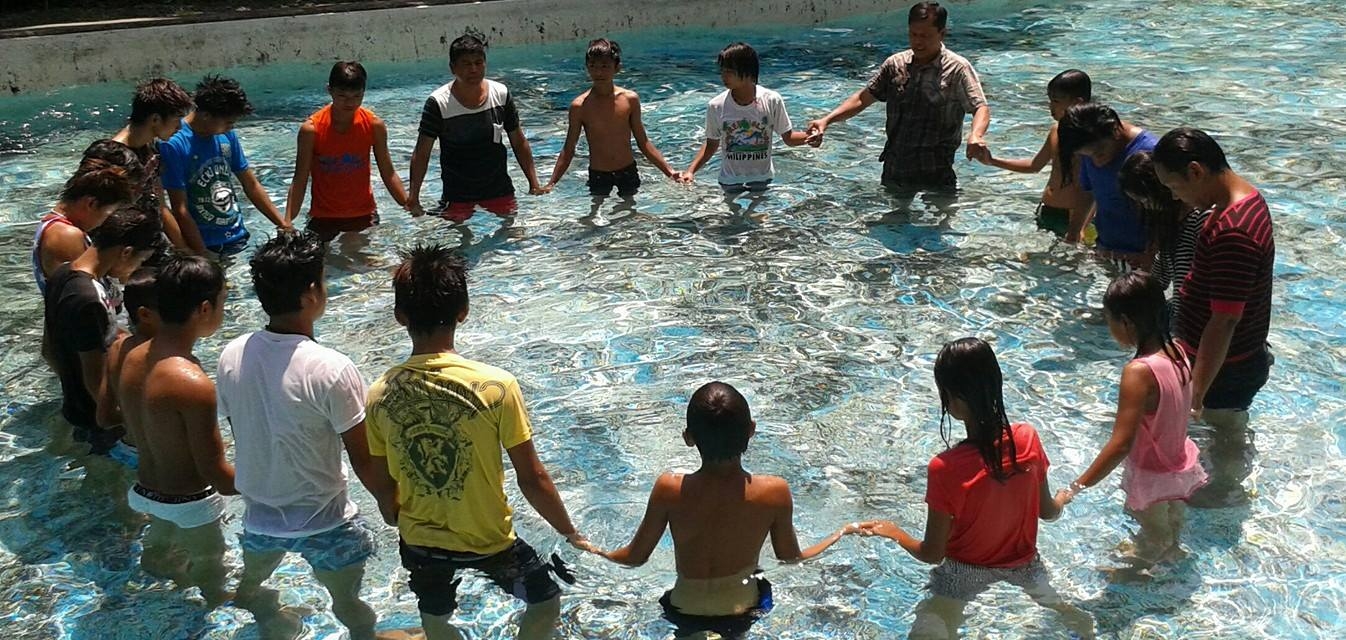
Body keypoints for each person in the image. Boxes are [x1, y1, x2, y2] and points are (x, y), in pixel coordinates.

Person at [365, 244, 591, 640]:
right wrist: (570, 532)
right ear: (463, 311)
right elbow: (533, 477)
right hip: (488, 541)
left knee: (436, 617)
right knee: (545, 600)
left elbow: (383, 481)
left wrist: (391, 511)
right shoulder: (497, 387)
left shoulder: (379, 392)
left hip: (419, 542)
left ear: (400, 316)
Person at [217, 230, 400, 639]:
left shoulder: (232, 354)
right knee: (351, 608)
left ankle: (269, 619)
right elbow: (363, 456)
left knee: (252, 587)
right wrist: (391, 504)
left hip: (259, 520)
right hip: (326, 521)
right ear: (312, 293)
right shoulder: (332, 368)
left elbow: (243, 433)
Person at [855, 338, 1092, 639]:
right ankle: (1073, 618)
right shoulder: (1028, 438)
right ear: (996, 383)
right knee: (1056, 606)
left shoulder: (945, 467)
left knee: (931, 625)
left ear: (952, 400)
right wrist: (1063, 497)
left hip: (964, 571)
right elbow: (1047, 512)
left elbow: (932, 553)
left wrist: (893, 532)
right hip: (1025, 565)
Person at [594, 381, 857, 640]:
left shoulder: (668, 489)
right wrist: (841, 533)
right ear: (751, 430)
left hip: (682, 609)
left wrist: (592, 548)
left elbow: (634, 558)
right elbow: (790, 558)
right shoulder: (774, 492)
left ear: (688, 438)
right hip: (742, 610)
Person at [1153, 127, 1275, 507]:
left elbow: (1224, 322)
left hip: (1231, 365)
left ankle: (1226, 493)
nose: (1176, 197)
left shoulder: (1233, 231)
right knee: (1225, 428)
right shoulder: (1241, 200)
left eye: (1174, 187)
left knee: (1226, 432)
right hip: (1235, 358)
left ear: (1195, 171)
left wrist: (1197, 392)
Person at [1053, 272, 1207, 566]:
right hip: (1178, 465)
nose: (1110, 328)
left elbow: (1121, 444)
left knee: (1151, 541)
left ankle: (1138, 584)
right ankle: (1171, 572)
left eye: (1109, 320)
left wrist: (1075, 488)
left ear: (1126, 322)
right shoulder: (1178, 351)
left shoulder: (1139, 372)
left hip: (1151, 476)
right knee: (1171, 533)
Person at [117, 254, 236, 606]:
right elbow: (220, 478)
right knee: (214, 580)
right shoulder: (191, 381)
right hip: (191, 504)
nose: (223, 311)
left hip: (145, 492)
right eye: (223, 302)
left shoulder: (132, 355)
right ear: (203, 308)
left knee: (161, 560)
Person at [807, 2, 990, 193]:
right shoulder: (896, 64)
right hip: (896, 165)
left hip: (938, 169)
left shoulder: (957, 69)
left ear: (942, 34)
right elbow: (863, 98)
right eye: (913, 34)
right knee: (893, 220)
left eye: (925, 36)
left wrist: (975, 135)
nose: (917, 42)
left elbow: (980, 107)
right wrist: (826, 120)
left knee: (941, 219)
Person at [42, 206, 160, 455]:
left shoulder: (62, 273)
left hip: (76, 410)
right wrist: (136, 424)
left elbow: (49, 351)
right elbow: (97, 384)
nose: (135, 269)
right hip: (102, 424)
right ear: (126, 252)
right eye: (139, 260)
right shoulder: (89, 299)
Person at [409, 35, 544, 225]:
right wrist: (413, 197)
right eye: (466, 64)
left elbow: (518, 141)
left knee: (513, 236)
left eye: (478, 63)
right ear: (452, 68)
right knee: (456, 247)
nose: (473, 69)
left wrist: (534, 183)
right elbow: (422, 153)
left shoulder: (501, 94)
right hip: (457, 194)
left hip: (499, 189)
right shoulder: (438, 103)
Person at [160, 75, 289, 256]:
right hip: (205, 242)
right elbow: (179, 208)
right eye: (228, 122)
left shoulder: (227, 135)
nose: (232, 127)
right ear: (205, 115)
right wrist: (201, 252)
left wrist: (282, 224)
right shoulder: (174, 143)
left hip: (238, 236)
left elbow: (251, 185)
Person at [285, 62, 411, 240]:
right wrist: (287, 221)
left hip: (364, 213)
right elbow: (300, 179)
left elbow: (388, 172)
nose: (350, 102)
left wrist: (406, 203)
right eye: (342, 96)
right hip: (323, 216)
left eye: (357, 96)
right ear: (329, 90)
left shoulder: (374, 125)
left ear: (364, 92)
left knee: (368, 265)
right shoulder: (311, 130)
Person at [544, 38, 678, 197]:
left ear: (617, 68)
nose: (598, 72)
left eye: (605, 66)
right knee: (595, 216)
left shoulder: (630, 99)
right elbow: (568, 149)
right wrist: (552, 183)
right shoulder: (579, 106)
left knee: (630, 214)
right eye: (593, 66)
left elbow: (643, 142)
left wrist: (670, 172)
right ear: (587, 68)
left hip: (627, 171)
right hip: (598, 174)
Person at [679, 42, 810, 194]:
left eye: (729, 71)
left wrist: (810, 137)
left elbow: (788, 138)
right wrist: (691, 171)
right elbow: (711, 144)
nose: (723, 76)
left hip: (763, 178)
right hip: (729, 181)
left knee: (762, 216)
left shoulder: (772, 100)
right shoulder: (716, 105)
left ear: (747, 72)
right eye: (722, 71)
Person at [976, 70, 1091, 237]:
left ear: (1077, 103)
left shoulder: (1090, 140)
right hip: (1047, 211)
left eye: (1056, 101)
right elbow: (1034, 165)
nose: (1050, 107)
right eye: (1050, 100)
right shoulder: (1056, 131)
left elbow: (1092, 188)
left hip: (1074, 217)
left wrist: (1080, 228)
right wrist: (992, 161)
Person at [99, 77, 195, 249]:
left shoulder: (151, 148)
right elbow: (98, 217)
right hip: (123, 254)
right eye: (176, 119)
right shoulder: (112, 157)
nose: (180, 128)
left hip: (149, 246)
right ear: (155, 119)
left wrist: (186, 251)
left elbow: (160, 206)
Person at [1056, 103, 1157, 260]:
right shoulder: (1088, 145)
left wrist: (1151, 257)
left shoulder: (1148, 151)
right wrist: (1074, 233)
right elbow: (1088, 192)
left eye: (1099, 152)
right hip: (1107, 249)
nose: (1096, 161)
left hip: (1144, 256)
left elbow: (1171, 210)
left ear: (1114, 131)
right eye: (1088, 156)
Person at [1118, 151, 1210, 310]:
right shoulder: (1170, 225)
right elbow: (1159, 280)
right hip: (1183, 313)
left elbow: (1195, 291)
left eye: (1145, 200)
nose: (1146, 207)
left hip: (1196, 318)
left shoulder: (1200, 220)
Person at [33, 156, 138, 294]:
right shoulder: (66, 235)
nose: (104, 221)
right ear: (91, 204)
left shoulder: (56, 226)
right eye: (107, 214)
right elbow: (87, 293)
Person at [94, 265, 160, 467]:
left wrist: (132, 418)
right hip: (155, 458)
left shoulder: (116, 348)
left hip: (122, 451)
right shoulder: (161, 359)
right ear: (145, 315)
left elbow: (104, 418)